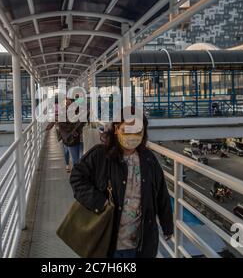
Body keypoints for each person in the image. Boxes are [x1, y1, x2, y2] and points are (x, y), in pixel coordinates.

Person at [70, 110, 173, 258]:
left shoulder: (149, 159)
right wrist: (99, 201)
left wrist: (167, 225)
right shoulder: (100, 155)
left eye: (138, 131)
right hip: (108, 242)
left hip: (141, 243)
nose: (132, 136)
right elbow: (76, 178)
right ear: (117, 129)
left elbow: (161, 193)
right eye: (127, 130)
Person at [47, 97, 85, 172]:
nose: (68, 102)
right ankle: (70, 167)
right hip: (69, 138)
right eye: (66, 101)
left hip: (79, 138)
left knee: (80, 158)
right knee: (71, 155)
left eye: (70, 101)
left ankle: (77, 173)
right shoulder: (63, 111)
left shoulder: (79, 110)